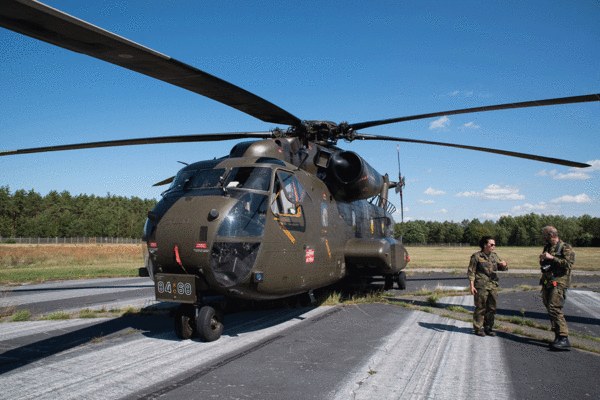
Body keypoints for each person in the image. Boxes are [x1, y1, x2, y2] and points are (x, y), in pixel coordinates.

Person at [539, 226, 574, 350]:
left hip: (559, 282)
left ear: (551, 235)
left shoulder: (565, 247)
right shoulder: (548, 247)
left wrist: (552, 258)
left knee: (554, 307)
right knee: (549, 308)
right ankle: (558, 336)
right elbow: (546, 264)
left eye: (544, 235)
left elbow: (568, 264)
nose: (543, 237)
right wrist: (543, 259)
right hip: (548, 281)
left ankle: (564, 337)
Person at [468, 236, 508, 336]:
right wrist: (472, 286)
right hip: (481, 285)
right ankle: (478, 328)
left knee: (492, 308)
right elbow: (471, 272)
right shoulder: (476, 256)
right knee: (481, 307)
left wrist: (504, 265)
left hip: (493, 285)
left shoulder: (494, 256)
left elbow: (502, 268)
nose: (493, 247)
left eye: (494, 245)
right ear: (485, 245)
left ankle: (488, 328)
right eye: (491, 244)